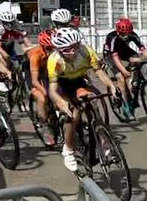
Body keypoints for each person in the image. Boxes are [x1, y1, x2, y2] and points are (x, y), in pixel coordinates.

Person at [47, 27, 119, 172]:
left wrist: (111, 86)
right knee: (72, 115)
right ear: (60, 50)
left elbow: (99, 71)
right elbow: (52, 91)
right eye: (68, 50)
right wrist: (62, 103)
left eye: (75, 46)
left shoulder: (86, 51)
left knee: (93, 104)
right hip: (62, 84)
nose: (73, 51)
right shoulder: (54, 61)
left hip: (79, 80)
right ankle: (68, 151)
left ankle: (103, 142)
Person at [103, 18, 147, 115]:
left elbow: (142, 48)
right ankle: (125, 102)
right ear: (118, 32)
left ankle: (134, 80)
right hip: (110, 55)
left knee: (139, 58)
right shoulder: (112, 37)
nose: (125, 36)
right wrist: (123, 70)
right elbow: (115, 57)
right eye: (122, 34)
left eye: (127, 34)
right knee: (121, 78)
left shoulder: (132, 34)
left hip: (124, 50)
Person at [27, 29, 57, 146]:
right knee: (42, 97)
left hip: (46, 68)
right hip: (33, 70)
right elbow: (35, 81)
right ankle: (44, 125)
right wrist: (45, 91)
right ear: (43, 46)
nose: (52, 50)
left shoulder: (56, 52)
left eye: (54, 47)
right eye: (49, 48)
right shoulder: (36, 55)